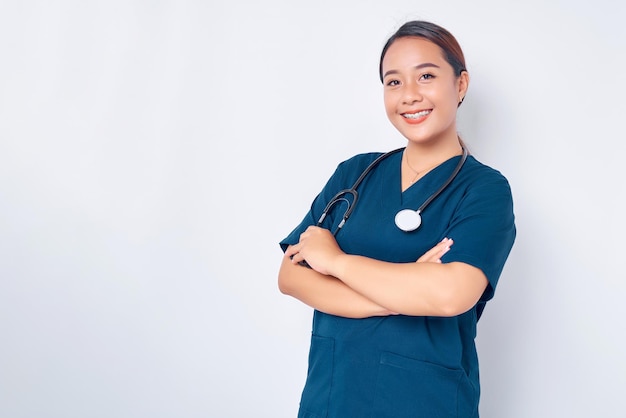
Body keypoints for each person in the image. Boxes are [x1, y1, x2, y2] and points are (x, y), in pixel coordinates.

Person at [278, 20, 515, 418]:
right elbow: (291, 276)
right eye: (393, 82)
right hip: (332, 398)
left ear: (460, 85)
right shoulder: (354, 174)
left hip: (425, 402)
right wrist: (403, 292)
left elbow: (451, 294)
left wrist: (336, 262)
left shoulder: (484, 189)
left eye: (426, 76)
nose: (409, 95)